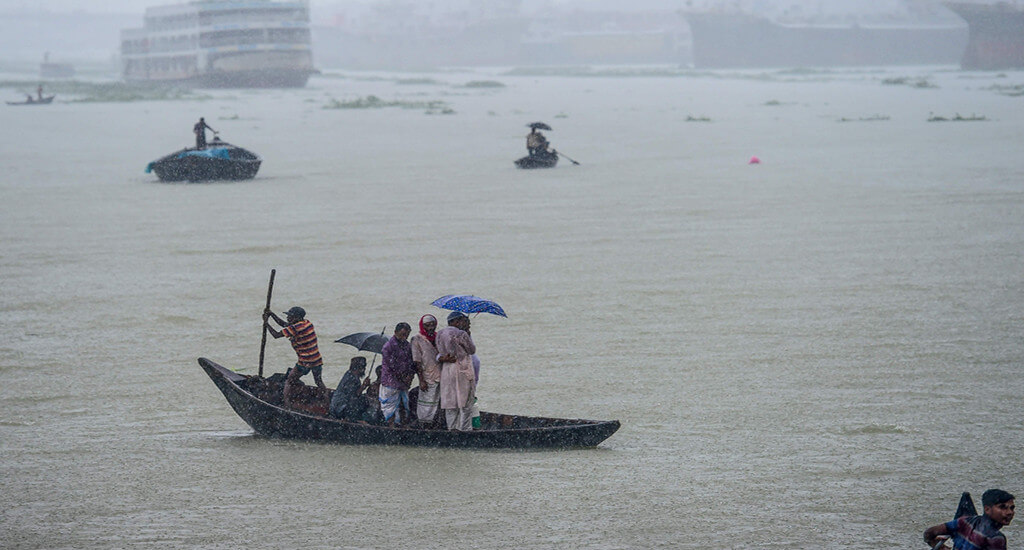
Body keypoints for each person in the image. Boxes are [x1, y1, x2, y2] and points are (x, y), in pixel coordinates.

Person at [264, 306, 327, 407]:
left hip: (305, 361)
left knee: (289, 380)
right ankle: (326, 400)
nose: (288, 318)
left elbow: (276, 335)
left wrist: (266, 323)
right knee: (319, 381)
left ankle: (287, 404)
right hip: (316, 359)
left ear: (297, 317)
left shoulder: (295, 328)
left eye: (290, 316)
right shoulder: (307, 323)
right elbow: (285, 325)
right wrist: (271, 314)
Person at [924, 489, 1015, 549]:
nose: (1009, 512)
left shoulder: (964, 522)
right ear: (987, 509)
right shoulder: (995, 537)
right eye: (1002, 507)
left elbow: (929, 533)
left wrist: (937, 546)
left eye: (1012, 508)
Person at [435, 311, 476, 431]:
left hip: (447, 369)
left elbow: (439, 351)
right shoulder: (461, 334)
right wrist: (468, 334)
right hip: (462, 368)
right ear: (456, 321)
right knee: (465, 402)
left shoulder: (440, 333)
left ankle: (451, 429)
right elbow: (471, 350)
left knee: (451, 402)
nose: (464, 322)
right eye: (462, 320)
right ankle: (465, 429)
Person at [379, 322, 415, 426]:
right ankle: (392, 426)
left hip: (403, 382)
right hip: (391, 382)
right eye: (403, 334)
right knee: (390, 407)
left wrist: (410, 376)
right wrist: (404, 378)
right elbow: (392, 366)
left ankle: (402, 425)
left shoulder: (407, 346)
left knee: (403, 405)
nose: (405, 337)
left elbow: (410, 362)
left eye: (407, 334)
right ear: (395, 332)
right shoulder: (388, 346)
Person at [410, 314, 442, 426]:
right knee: (426, 404)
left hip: (441, 375)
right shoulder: (417, 339)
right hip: (427, 376)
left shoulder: (438, 337)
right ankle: (424, 425)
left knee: (439, 402)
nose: (430, 327)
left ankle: (435, 424)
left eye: (433, 325)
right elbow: (417, 361)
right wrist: (421, 380)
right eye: (427, 325)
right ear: (422, 326)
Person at [329, 356, 373, 422]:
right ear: (360, 368)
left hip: (338, 406)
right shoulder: (352, 378)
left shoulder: (350, 374)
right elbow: (354, 396)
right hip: (340, 408)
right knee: (364, 401)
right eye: (364, 367)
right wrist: (364, 386)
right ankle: (352, 420)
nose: (365, 369)